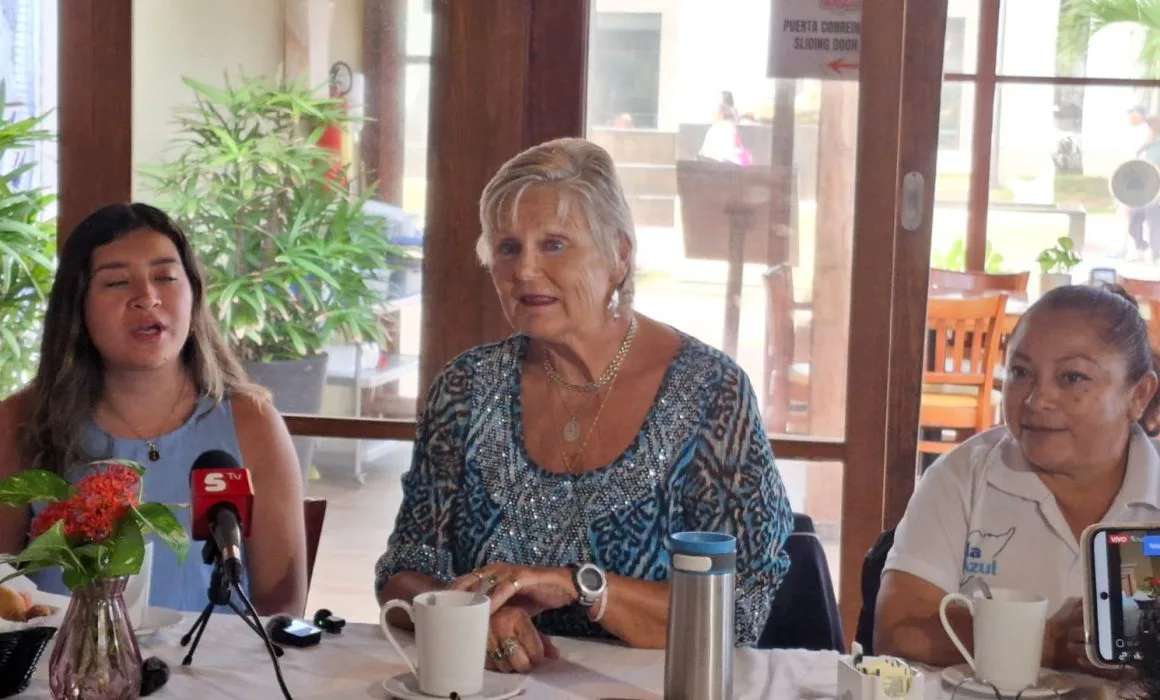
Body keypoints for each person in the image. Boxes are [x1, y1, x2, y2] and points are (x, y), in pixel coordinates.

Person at [375, 137, 793, 673]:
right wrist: (467, 615)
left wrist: (580, 585)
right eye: (507, 247)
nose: (524, 270)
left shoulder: (713, 392)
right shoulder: (465, 388)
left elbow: (736, 612)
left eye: (553, 244)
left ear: (619, 255)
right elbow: (405, 571)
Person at [0, 203, 307, 616]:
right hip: (64, 672)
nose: (147, 298)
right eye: (116, 283)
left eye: (165, 277)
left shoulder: (252, 421)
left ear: (194, 293)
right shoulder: (21, 420)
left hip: (216, 670)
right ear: (78, 306)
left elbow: (281, 604)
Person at [875, 284, 1160, 672]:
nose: (1036, 399)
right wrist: (1048, 643)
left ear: (1138, 395)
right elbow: (898, 630)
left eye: (1072, 378)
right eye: (1021, 372)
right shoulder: (963, 475)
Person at [1130, 116, 1160, 261]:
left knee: (1154, 221)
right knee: (1135, 218)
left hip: (1156, 191)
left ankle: (1156, 254)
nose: (1151, 128)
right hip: (1142, 190)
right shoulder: (1148, 144)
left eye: (1153, 125)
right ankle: (1141, 247)